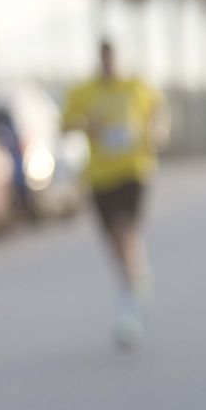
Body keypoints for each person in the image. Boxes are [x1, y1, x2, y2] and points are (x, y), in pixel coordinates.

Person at [61, 40, 168, 348]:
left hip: (134, 170)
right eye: (104, 59)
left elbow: (159, 111)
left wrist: (157, 132)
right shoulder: (84, 91)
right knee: (114, 243)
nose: (110, 65)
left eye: (113, 59)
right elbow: (66, 125)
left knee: (126, 232)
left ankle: (130, 305)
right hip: (100, 176)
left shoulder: (136, 86)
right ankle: (136, 279)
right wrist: (85, 125)